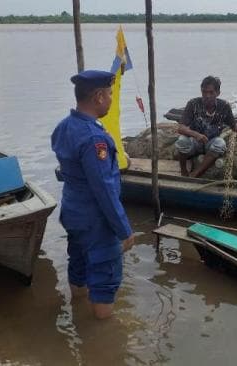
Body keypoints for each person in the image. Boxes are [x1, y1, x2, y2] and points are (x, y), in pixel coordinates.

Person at [51, 70, 136, 320]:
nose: (111, 99)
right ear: (98, 96)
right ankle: (103, 336)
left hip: (72, 212)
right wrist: (124, 230)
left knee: (78, 266)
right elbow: (105, 191)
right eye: (109, 94)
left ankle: (77, 314)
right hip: (95, 220)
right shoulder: (94, 139)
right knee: (105, 279)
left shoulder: (65, 126)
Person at [176, 76, 237, 178]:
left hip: (210, 143)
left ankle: (195, 174)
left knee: (220, 143)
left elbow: (233, 125)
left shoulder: (224, 106)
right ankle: (184, 172)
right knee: (182, 141)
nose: (207, 96)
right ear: (201, 91)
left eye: (211, 92)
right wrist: (196, 135)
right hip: (194, 142)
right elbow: (181, 128)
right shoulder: (193, 104)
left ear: (218, 93)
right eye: (204, 92)